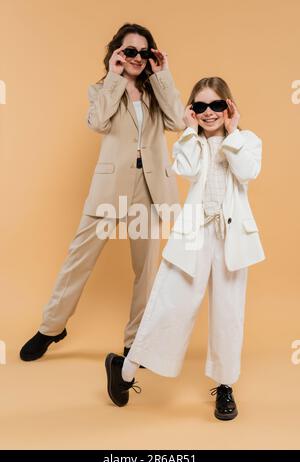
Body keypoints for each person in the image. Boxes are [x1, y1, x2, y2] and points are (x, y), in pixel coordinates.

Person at [20, 23, 185, 362]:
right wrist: (115, 76)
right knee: (78, 259)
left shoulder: (156, 92)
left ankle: (135, 341)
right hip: (110, 188)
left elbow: (178, 122)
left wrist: (163, 75)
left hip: (150, 189)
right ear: (117, 53)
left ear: (150, 56)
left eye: (143, 52)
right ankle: (51, 327)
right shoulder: (101, 89)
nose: (137, 58)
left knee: (147, 269)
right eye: (129, 51)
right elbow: (98, 122)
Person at [105, 76, 266, 420]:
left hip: (232, 240)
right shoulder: (187, 142)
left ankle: (225, 386)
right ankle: (124, 371)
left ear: (229, 107)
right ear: (192, 111)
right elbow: (188, 170)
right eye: (201, 106)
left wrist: (233, 132)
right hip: (194, 237)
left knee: (229, 315)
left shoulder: (247, 141)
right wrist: (190, 132)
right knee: (169, 306)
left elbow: (247, 172)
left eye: (217, 105)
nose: (210, 113)